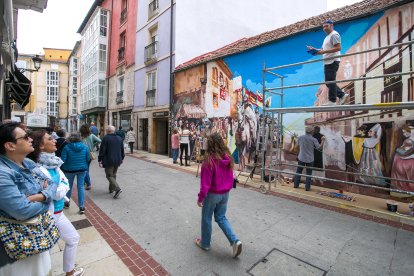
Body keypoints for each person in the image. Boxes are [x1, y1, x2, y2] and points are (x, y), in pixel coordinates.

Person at [0, 122, 58, 275]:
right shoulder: (3, 173)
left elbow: (52, 184)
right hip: (17, 245)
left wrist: (40, 196)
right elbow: (22, 210)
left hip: (37, 237)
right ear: (10, 145)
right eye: (25, 137)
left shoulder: (28, 162)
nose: (30, 139)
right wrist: (47, 200)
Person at [27, 130, 84, 276]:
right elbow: (58, 192)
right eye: (49, 139)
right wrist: (57, 190)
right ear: (40, 145)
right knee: (45, 251)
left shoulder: (54, 163)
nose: (54, 140)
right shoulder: (36, 168)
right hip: (47, 215)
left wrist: (54, 190)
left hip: (58, 213)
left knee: (73, 238)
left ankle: (69, 272)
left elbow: (64, 186)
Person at [195, 133, 242, 258]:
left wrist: (200, 198)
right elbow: (231, 176)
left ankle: (205, 243)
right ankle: (235, 241)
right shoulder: (228, 158)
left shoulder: (208, 162)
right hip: (225, 194)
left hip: (212, 195)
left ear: (209, 145)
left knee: (206, 218)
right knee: (221, 217)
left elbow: (205, 184)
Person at [307, 19, 349, 106]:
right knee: (328, 81)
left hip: (333, 60)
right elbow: (323, 50)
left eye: (326, 26)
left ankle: (332, 101)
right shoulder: (327, 37)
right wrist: (315, 50)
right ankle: (342, 95)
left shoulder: (334, 34)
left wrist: (322, 52)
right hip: (328, 61)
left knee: (330, 81)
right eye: (323, 27)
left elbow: (338, 48)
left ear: (331, 25)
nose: (325, 28)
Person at [61, 133, 90, 214]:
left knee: (68, 186)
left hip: (69, 170)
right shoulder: (84, 147)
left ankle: (67, 202)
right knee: (80, 187)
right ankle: (81, 206)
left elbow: (63, 160)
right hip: (82, 169)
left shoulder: (66, 147)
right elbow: (88, 158)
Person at [294, 126, 325, 191]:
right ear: (312, 131)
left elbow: (296, 147)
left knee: (298, 172)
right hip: (310, 159)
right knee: (308, 174)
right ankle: (307, 188)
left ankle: (296, 185)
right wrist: (323, 140)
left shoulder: (300, 137)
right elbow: (319, 148)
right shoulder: (314, 139)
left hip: (301, 157)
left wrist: (298, 154)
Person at [98, 125, 125, 199]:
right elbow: (122, 150)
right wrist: (122, 158)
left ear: (108, 131)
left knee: (109, 175)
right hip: (117, 159)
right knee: (113, 174)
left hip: (109, 160)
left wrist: (100, 159)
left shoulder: (105, 138)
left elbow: (102, 150)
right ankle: (111, 189)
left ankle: (117, 189)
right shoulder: (119, 138)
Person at [80, 125, 101, 190]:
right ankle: (85, 182)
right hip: (90, 153)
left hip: (82, 153)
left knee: (84, 169)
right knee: (86, 168)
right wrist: (93, 145)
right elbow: (99, 140)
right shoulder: (91, 135)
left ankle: (87, 183)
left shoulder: (81, 136)